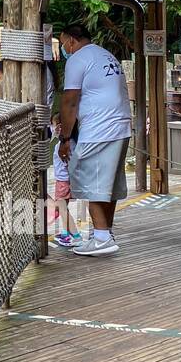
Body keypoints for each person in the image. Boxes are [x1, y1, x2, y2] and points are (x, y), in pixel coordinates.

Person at [58, 22, 132, 257]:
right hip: (121, 126)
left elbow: (70, 100)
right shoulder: (105, 55)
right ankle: (103, 233)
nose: (64, 50)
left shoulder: (77, 60)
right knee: (107, 185)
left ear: (72, 40)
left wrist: (65, 138)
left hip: (98, 130)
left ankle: (101, 238)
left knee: (92, 185)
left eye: (63, 44)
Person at [48, 114, 81, 249]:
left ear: (60, 127)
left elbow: (68, 163)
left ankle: (76, 236)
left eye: (53, 125)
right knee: (63, 207)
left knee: (61, 208)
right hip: (69, 180)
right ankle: (65, 232)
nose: (52, 128)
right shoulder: (74, 143)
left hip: (63, 181)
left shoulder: (61, 147)